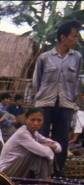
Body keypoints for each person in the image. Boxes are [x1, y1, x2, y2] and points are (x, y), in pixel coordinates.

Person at [31, 20, 82, 176]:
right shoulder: (45, 58)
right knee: (42, 138)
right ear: (62, 37)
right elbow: (36, 81)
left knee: (62, 141)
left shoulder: (77, 57)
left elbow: (76, 82)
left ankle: (58, 173)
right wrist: (38, 101)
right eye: (74, 36)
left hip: (66, 104)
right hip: (45, 103)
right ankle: (40, 172)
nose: (77, 39)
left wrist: (73, 102)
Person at [0, 108, 61, 179]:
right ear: (26, 120)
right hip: (5, 171)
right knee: (37, 154)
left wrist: (53, 146)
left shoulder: (35, 134)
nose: (36, 123)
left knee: (40, 152)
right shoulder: (22, 133)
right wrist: (47, 147)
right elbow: (46, 153)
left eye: (39, 120)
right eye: (32, 120)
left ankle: (44, 179)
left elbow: (58, 147)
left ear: (43, 121)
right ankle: (45, 180)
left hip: (17, 167)